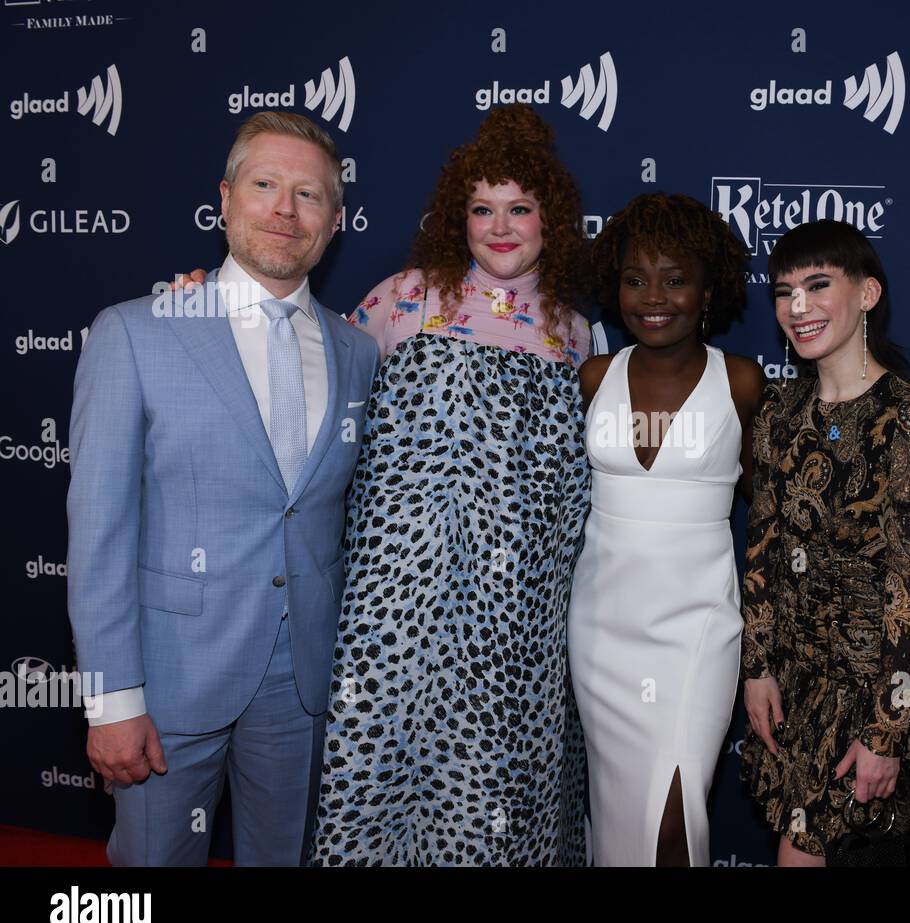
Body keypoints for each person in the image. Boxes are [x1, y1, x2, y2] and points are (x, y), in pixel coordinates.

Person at [66, 112, 381, 866]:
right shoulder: (136, 332)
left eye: (309, 195)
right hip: (170, 680)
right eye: (266, 185)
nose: (285, 210)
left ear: (334, 223)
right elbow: (99, 531)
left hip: (303, 681)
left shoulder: (359, 351)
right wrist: (114, 700)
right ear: (226, 198)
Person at [310, 105, 591, 865]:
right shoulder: (401, 299)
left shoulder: (573, 331)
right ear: (456, 219)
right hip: (398, 604)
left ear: (551, 220)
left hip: (518, 613)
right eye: (481, 209)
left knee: (496, 784)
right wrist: (218, 305)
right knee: (383, 771)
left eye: (520, 209)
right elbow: (308, 382)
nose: (501, 227)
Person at [740, 219, 910, 866]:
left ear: (867, 294)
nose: (797, 308)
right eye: (783, 291)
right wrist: (758, 668)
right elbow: (763, 549)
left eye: (817, 285)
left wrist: (885, 733)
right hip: (790, 695)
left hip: (865, 699)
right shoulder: (778, 410)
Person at [569, 193, 765, 866]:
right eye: (635, 279)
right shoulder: (595, 377)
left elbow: (768, 510)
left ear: (709, 289)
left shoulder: (739, 382)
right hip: (600, 637)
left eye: (676, 279)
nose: (653, 297)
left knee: (673, 821)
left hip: (695, 636)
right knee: (619, 824)